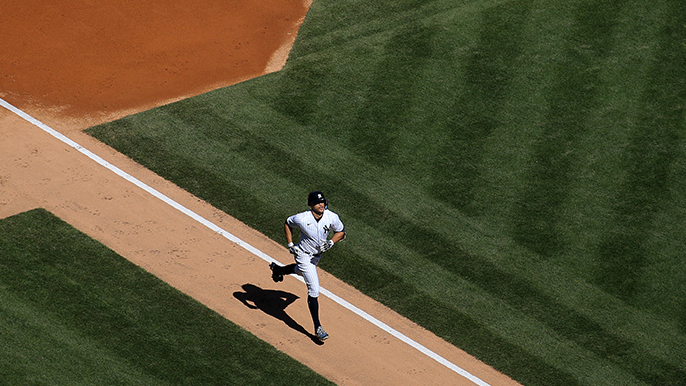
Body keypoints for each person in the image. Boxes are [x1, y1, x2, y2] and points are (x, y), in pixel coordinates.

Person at [269, 191, 346, 342]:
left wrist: (331, 242)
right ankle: (317, 328)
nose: (321, 204)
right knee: (314, 289)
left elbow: (341, 232)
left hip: (316, 257)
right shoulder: (302, 218)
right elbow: (287, 223)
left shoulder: (332, 217)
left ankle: (279, 270)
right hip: (303, 255)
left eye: (322, 201)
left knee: (301, 272)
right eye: (317, 203)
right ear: (311, 204)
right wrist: (290, 244)